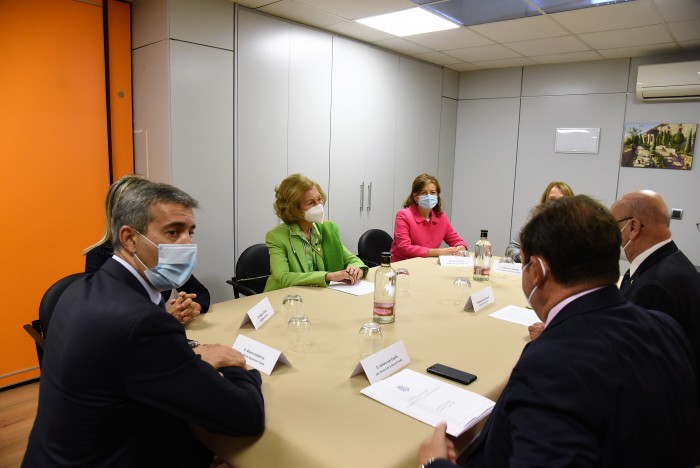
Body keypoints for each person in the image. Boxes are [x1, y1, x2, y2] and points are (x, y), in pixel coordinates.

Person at [417, 195, 699, 468]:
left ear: (537, 271)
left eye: (525, 263)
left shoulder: (552, 367)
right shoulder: (665, 327)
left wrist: (435, 464)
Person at [23, 182, 265, 467]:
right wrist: (238, 366)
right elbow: (244, 416)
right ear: (129, 238)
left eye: (190, 232)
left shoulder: (81, 288)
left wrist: (189, 357)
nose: (187, 244)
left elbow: (128, 361)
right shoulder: (143, 322)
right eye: (173, 232)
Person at [84, 174, 210, 324]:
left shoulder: (159, 253)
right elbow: (109, 321)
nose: (186, 242)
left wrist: (191, 306)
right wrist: (163, 317)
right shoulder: (100, 257)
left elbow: (199, 292)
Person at [611, 189, 700, 399]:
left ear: (632, 226)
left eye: (612, 226)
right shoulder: (668, 262)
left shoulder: (654, 286)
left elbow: (630, 361)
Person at [264, 173, 367, 291]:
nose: (319, 206)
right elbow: (283, 277)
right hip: (286, 298)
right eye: (311, 203)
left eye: (319, 199)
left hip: (319, 296)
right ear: (294, 209)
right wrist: (328, 276)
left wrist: (354, 268)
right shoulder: (276, 236)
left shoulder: (328, 228)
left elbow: (353, 260)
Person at [390, 173, 467, 262]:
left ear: (437, 195)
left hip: (428, 265)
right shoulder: (403, 215)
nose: (429, 196)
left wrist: (460, 247)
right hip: (403, 266)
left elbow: (457, 240)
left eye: (432, 193)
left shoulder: (441, 217)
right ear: (415, 196)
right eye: (423, 193)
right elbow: (405, 248)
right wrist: (438, 252)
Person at [504, 180, 574, 263]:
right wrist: (523, 258)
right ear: (545, 202)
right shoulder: (535, 219)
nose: (556, 204)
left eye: (561, 200)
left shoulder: (577, 226)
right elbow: (512, 247)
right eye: (552, 199)